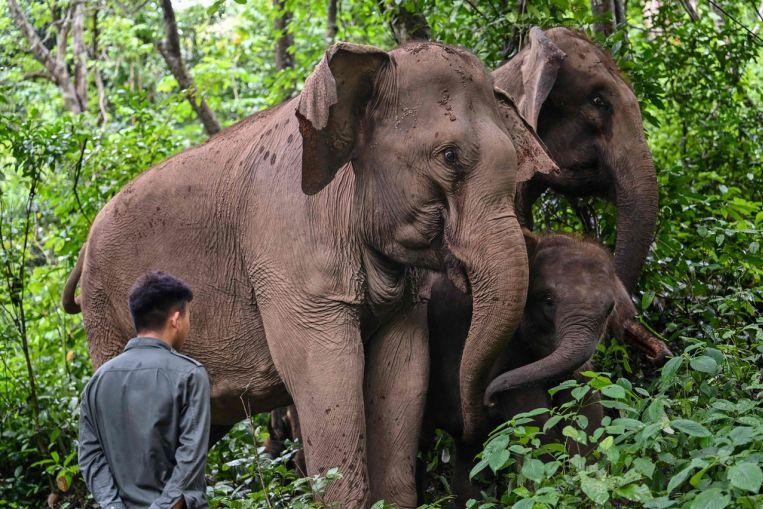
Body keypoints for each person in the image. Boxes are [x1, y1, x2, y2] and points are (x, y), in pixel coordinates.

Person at [78, 271, 211, 509]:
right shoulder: (191, 375)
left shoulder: (97, 382)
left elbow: (90, 457)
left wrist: (112, 505)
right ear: (176, 319)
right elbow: (190, 459)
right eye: (188, 317)